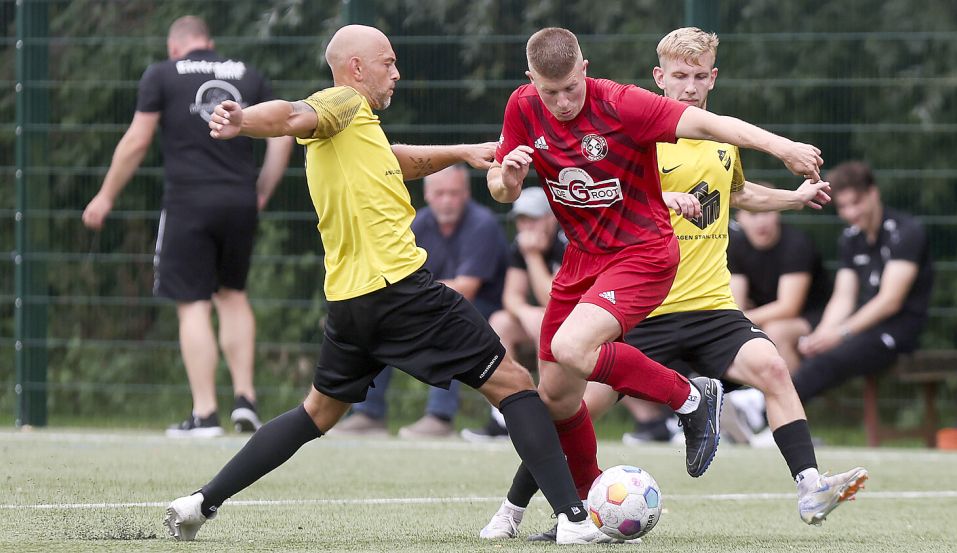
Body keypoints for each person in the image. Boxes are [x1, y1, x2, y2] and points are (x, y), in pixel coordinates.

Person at [164, 24, 618, 545]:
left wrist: (463, 151)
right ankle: (575, 520)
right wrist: (243, 120)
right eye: (388, 62)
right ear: (356, 68)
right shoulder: (341, 103)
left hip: (350, 302)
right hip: (401, 288)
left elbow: (395, 161)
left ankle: (200, 502)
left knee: (317, 413)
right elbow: (290, 115)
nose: (396, 72)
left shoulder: (357, 131)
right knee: (515, 386)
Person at [481, 27, 867, 541]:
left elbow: (735, 194)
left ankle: (810, 484)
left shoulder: (711, 145)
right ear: (659, 77)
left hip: (703, 303)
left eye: (699, 76)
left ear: (712, 77)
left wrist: (793, 198)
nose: (689, 86)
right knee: (563, 400)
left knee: (773, 366)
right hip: (639, 307)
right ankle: (534, 508)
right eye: (679, 76)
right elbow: (617, 187)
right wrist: (664, 199)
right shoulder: (644, 128)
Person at [82, 16, 294, 437]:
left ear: (174, 47)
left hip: (187, 202)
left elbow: (138, 140)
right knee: (233, 295)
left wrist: (105, 196)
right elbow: (283, 134)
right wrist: (263, 189)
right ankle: (245, 399)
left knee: (193, 302)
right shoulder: (247, 74)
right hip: (239, 201)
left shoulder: (162, 74)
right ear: (209, 43)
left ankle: (205, 414)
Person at [333, 164, 509, 439]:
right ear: (427, 195)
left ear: (466, 193)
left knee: (446, 326)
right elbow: (399, 277)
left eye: (454, 193)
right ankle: (368, 414)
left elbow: (467, 288)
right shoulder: (418, 224)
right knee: (380, 322)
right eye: (440, 193)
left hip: (484, 310)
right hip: (432, 303)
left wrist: (412, 298)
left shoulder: (482, 223)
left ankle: (440, 418)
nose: (447, 200)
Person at [795, 160, 933, 403]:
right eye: (843, 206)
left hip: (898, 332)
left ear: (873, 193)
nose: (850, 213)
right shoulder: (850, 238)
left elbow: (890, 301)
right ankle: (769, 416)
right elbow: (843, 297)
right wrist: (823, 334)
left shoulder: (907, 232)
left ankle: (760, 410)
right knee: (811, 350)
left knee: (830, 357)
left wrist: (841, 333)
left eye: (855, 203)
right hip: (862, 330)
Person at [461, 186, 568, 442]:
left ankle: (547, 414)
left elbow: (554, 299)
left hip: (579, 330)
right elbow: (511, 296)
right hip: (545, 325)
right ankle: (503, 418)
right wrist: (524, 312)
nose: (525, 226)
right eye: (521, 219)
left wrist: (532, 257)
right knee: (501, 321)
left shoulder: (568, 242)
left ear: (550, 218)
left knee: (544, 320)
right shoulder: (520, 245)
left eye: (532, 218)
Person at [730, 196, 831, 374]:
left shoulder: (796, 244)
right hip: (763, 315)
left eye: (767, 212)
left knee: (775, 332)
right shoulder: (735, 246)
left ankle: (792, 398)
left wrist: (739, 320)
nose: (761, 221)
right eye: (753, 214)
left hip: (815, 316)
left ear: (777, 213)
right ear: (740, 218)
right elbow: (736, 304)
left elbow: (788, 307)